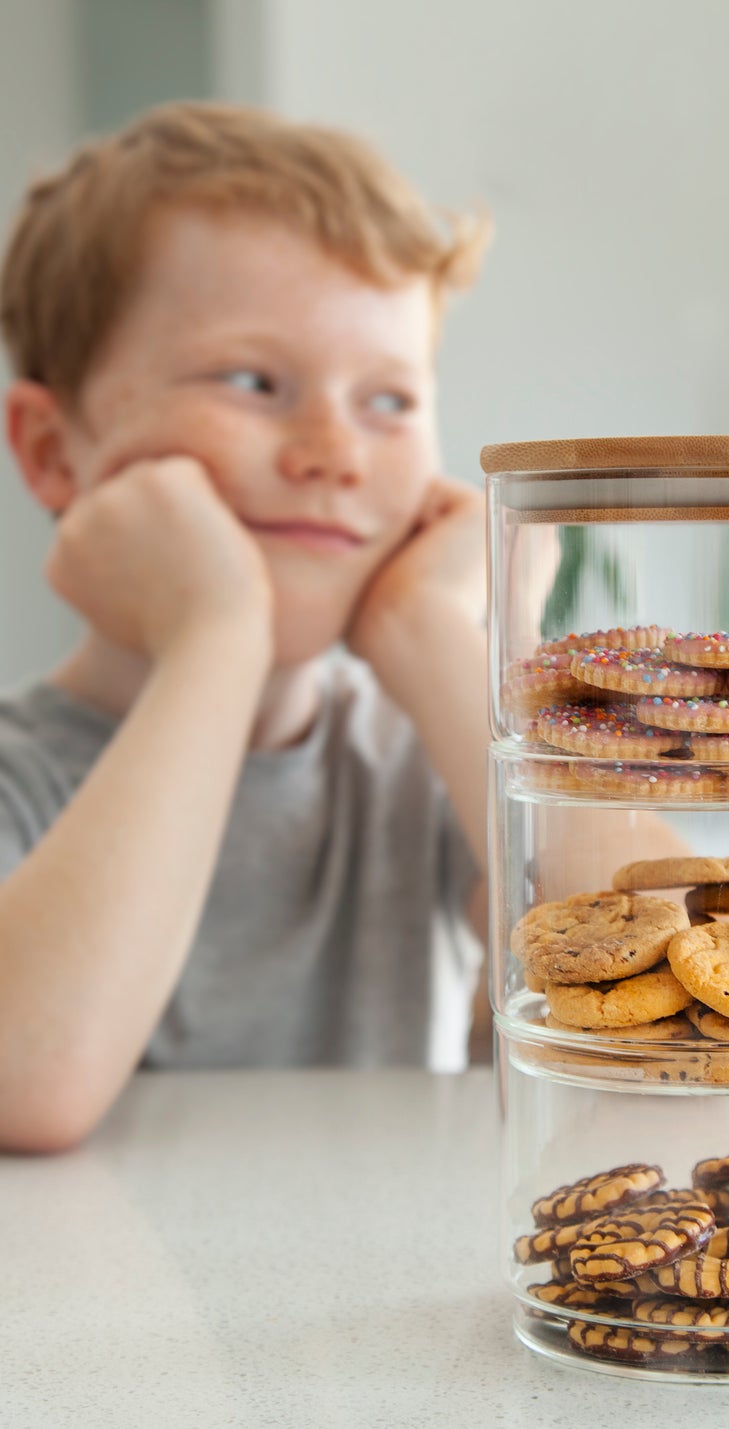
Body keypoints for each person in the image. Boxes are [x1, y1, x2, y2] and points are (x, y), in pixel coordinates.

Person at [0, 102, 493, 1153]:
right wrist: (218, 636)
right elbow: (26, 1084)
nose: (334, 453)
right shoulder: (18, 778)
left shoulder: (421, 757)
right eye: (252, 382)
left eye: (389, 401)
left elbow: (696, 1010)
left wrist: (439, 638)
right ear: (49, 449)